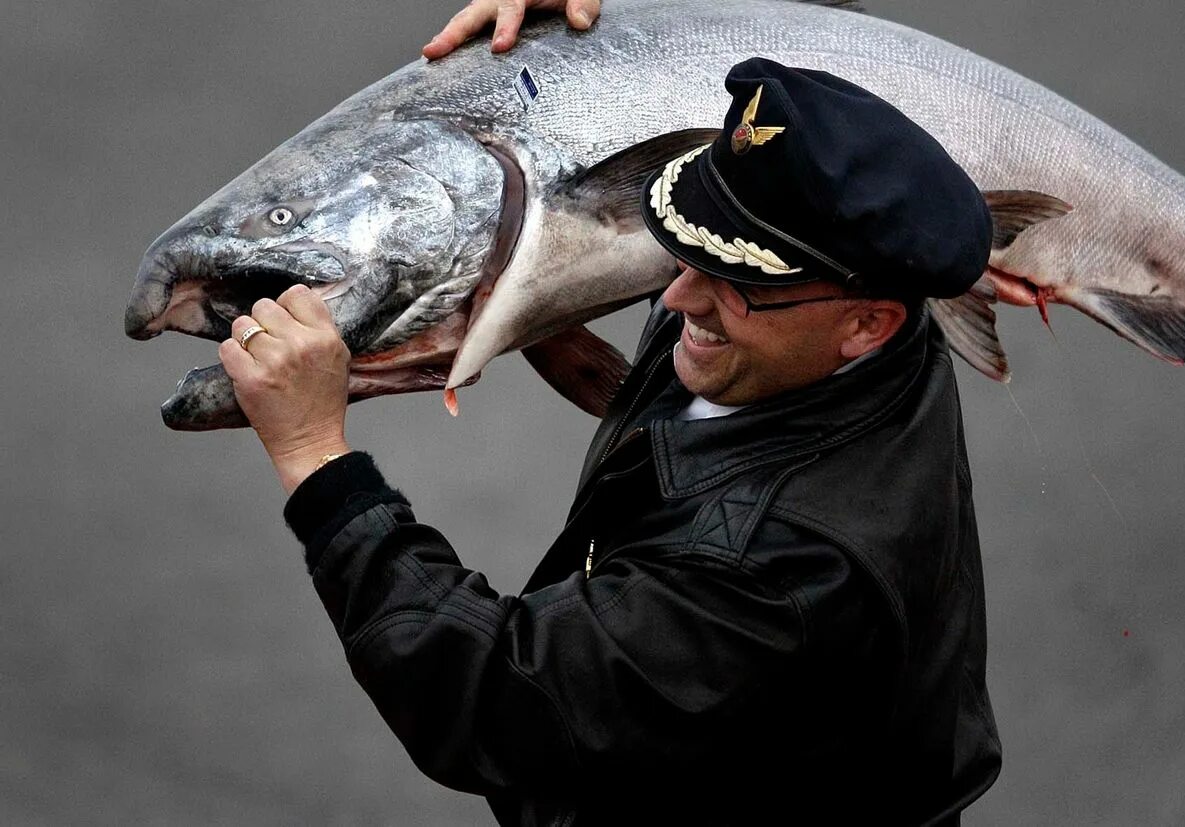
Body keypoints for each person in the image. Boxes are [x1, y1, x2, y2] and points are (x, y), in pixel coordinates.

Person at [219, 9, 1000, 826]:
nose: (677, 297)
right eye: (693, 245)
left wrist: (316, 458)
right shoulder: (843, 331)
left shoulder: (775, 573)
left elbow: (497, 700)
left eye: (740, 284)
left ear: (867, 322)